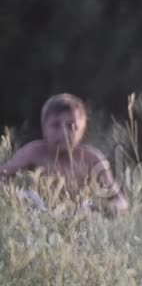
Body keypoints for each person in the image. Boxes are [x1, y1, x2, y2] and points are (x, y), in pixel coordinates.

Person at [0, 93, 128, 217]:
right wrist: (14, 200)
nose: (64, 132)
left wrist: (105, 209)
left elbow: (119, 201)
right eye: (55, 125)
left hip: (79, 219)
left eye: (71, 126)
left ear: (82, 129)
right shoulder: (34, 152)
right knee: (27, 196)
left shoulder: (92, 158)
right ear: (44, 127)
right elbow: (3, 175)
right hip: (40, 217)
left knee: (88, 206)